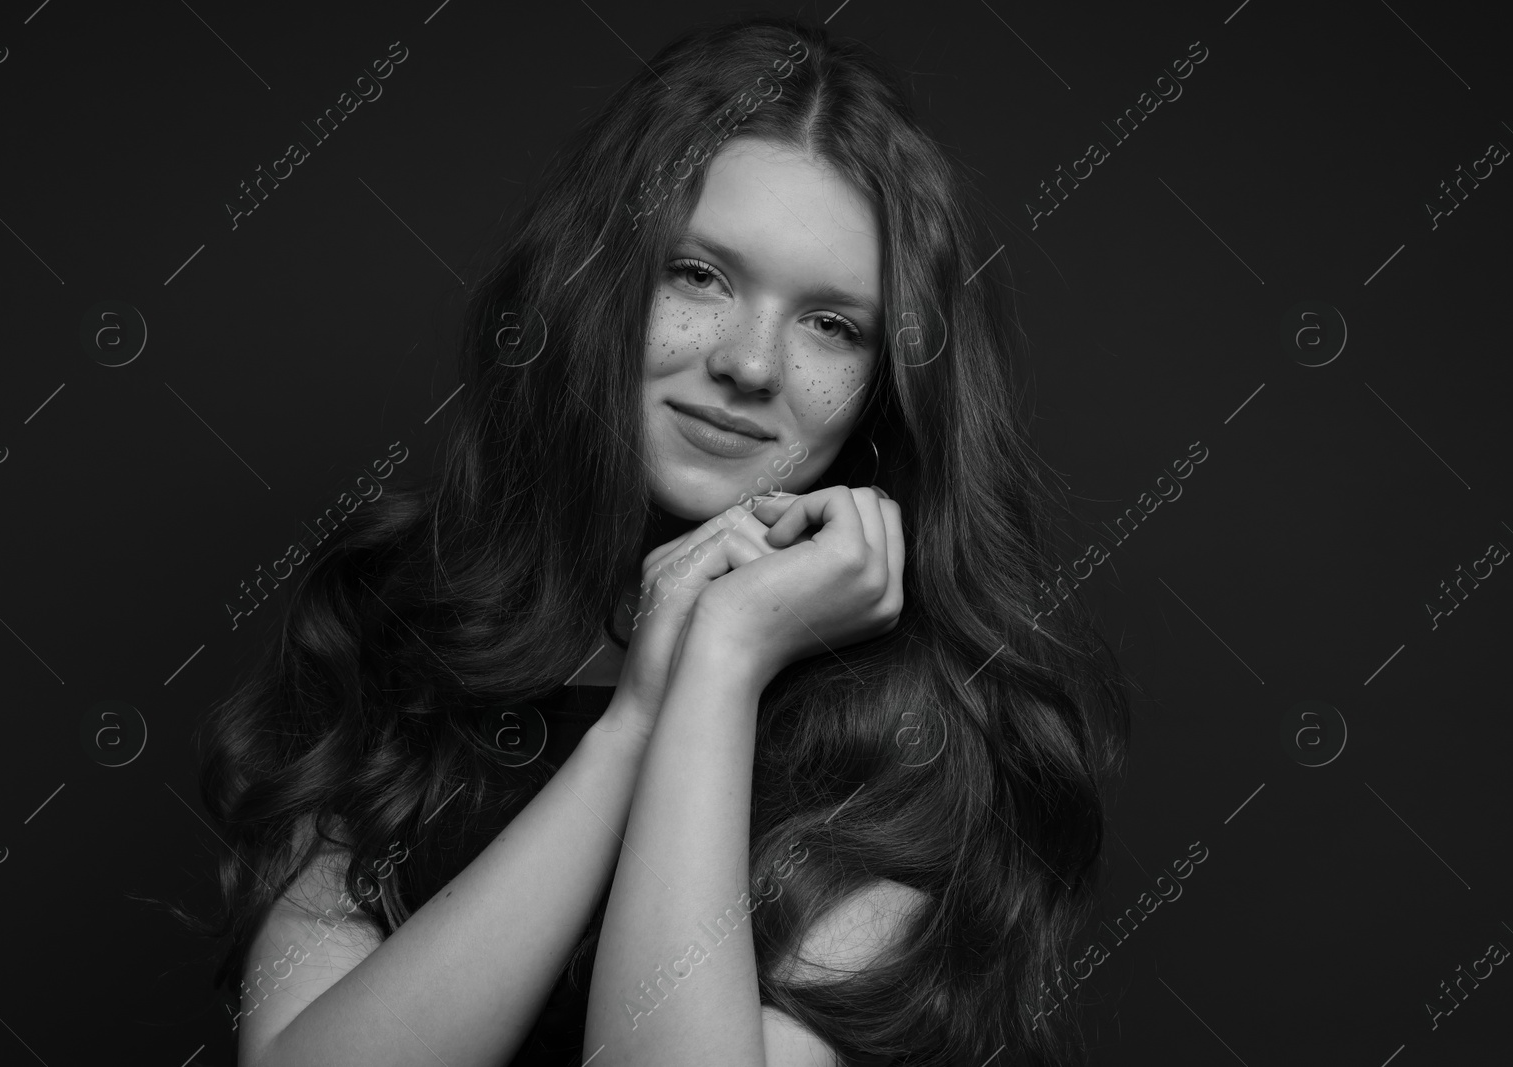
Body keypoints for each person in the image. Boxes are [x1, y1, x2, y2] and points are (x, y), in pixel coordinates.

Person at [193, 14, 1129, 1066]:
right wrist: (634, 718)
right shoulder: (401, 608)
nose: (750, 363)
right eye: (700, 275)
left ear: (883, 387)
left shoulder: (928, 727)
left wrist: (721, 661)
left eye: (831, 324)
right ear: (599, 280)